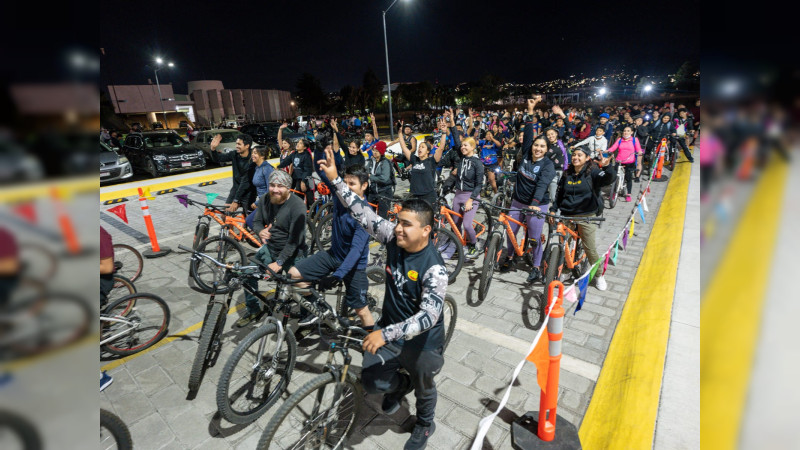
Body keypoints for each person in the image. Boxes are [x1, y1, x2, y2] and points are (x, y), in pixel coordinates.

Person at [317, 146, 447, 450]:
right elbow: (362, 212)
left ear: (426, 231)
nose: (398, 228)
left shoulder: (435, 270)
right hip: (390, 328)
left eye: (407, 224)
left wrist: (383, 333)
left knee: (425, 383)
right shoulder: (392, 236)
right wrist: (336, 180)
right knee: (372, 382)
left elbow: (428, 317)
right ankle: (402, 384)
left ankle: (425, 425)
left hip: (422, 340)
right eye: (398, 221)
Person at [287, 163, 375, 327]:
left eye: (352, 184)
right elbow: (323, 173)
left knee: (361, 311)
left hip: (354, 265)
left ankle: (373, 347)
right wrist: (321, 150)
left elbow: (356, 251)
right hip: (333, 255)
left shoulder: (366, 214)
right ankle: (320, 308)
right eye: (345, 183)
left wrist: (337, 276)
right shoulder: (340, 198)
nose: (347, 188)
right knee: (293, 275)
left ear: (364, 185)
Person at [238, 170, 308, 327]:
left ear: (288, 188)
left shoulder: (297, 207)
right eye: (272, 185)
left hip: (294, 252)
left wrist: (279, 262)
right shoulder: (265, 199)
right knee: (247, 273)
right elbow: (255, 222)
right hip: (271, 248)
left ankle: (307, 318)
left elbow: (294, 240)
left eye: (280, 186)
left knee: (301, 287)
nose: (275, 189)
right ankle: (254, 309)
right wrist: (260, 231)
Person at [499, 98, 556, 283]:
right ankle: (510, 257)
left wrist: (534, 205)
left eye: (542, 146)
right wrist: (530, 112)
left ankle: (537, 267)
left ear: (546, 149)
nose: (538, 148)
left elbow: (541, 186)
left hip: (537, 205)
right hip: (517, 200)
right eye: (536, 145)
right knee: (511, 231)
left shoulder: (548, 165)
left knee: (534, 237)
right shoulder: (525, 154)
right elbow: (529, 134)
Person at [550, 147, 614, 291]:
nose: (576, 157)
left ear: (587, 158)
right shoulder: (567, 174)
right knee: (565, 246)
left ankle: (599, 275)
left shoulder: (593, 172)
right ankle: (566, 270)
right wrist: (553, 210)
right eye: (574, 155)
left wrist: (607, 167)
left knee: (589, 248)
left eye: (580, 155)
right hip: (567, 214)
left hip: (586, 216)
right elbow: (559, 195)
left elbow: (608, 179)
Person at [448, 111, 484, 260]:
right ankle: (457, 246)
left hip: (471, 195)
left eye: (466, 146)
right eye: (462, 146)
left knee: (467, 225)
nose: (462, 147)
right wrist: (451, 120)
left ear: (472, 148)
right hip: (458, 194)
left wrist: (471, 199)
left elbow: (479, 184)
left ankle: (473, 245)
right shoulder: (462, 158)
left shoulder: (477, 163)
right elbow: (456, 138)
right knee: (455, 224)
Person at [398, 119, 447, 207]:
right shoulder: (414, 159)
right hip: (414, 195)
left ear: (428, 151)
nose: (420, 149)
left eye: (423, 147)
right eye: (419, 147)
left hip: (428, 195)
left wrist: (444, 132)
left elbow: (441, 148)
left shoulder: (431, 161)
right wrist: (400, 133)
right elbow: (404, 148)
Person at [210, 133, 256, 214]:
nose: (236, 146)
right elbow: (218, 158)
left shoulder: (252, 160)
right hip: (235, 189)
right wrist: (213, 149)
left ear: (247, 146)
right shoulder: (234, 154)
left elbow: (245, 182)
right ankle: (228, 227)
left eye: (239, 144)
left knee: (248, 219)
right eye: (236, 143)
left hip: (248, 192)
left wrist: (236, 200)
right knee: (225, 214)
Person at [277, 123, 315, 208]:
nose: (298, 144)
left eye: (300, 143)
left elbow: (307, 170)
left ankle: (312, 214)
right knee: (296, 194)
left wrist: (303, 181)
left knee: (309, 197)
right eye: (298, 142)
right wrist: (278, 167)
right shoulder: (294, 154)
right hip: (298, 178)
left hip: (307, 179)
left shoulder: (306, 156)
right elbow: (287, 161)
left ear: (304, 147)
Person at [605, 125, 643, 202]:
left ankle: (628, 193)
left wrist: (639, 152)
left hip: (629, 161)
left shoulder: (634, 140)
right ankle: (613, 192)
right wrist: (608, 150)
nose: (626, 132)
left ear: (631, 132)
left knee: (628, 178)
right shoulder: (619, 140)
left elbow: (638, 148)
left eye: (628, 131)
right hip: (619, 161)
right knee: (615, 177)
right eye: (625, 131)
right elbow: (614, 147)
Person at [245, 146, 274, 230]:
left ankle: (267, 241)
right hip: (263, 202)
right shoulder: (257, 167)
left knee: (250, 220)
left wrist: (257, 203)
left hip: (268, 203)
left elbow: (270, 190)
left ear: (262, 156)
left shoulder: (267, 168)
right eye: (252, 153)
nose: (252, 155)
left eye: (255, 153)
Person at [365, 141, 395, 219]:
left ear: (381, 152)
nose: (374, 152)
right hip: (373, 190)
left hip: (384, 191)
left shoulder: (385, 163)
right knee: (369, 213)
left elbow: (384, 178)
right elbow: (365, 171)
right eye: (373, 150)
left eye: (377, 151)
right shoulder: (372, 161)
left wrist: (370, 176)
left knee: (382, 217)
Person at [544, 127, 569, 206]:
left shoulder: (562, 143)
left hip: (563, 171)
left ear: (556, 134)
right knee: (553, 196)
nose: (550, 136)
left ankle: (561, 213)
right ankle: (556, 216)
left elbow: (568, 129)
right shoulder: (546, 146)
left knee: (562, 193)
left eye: (552, 134)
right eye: (548, 135)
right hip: (552, 172)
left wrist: (562, 115)